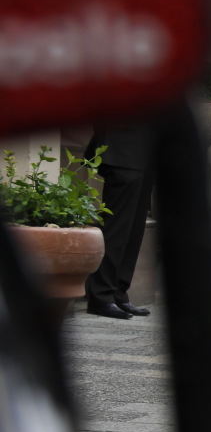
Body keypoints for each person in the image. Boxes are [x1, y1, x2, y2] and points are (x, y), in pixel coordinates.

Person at [84, 124, 156, 319]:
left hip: (145, 152)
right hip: (121, 149)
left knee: (134, 229)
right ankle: (101, 297)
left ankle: (119, 293)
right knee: (117, 228)